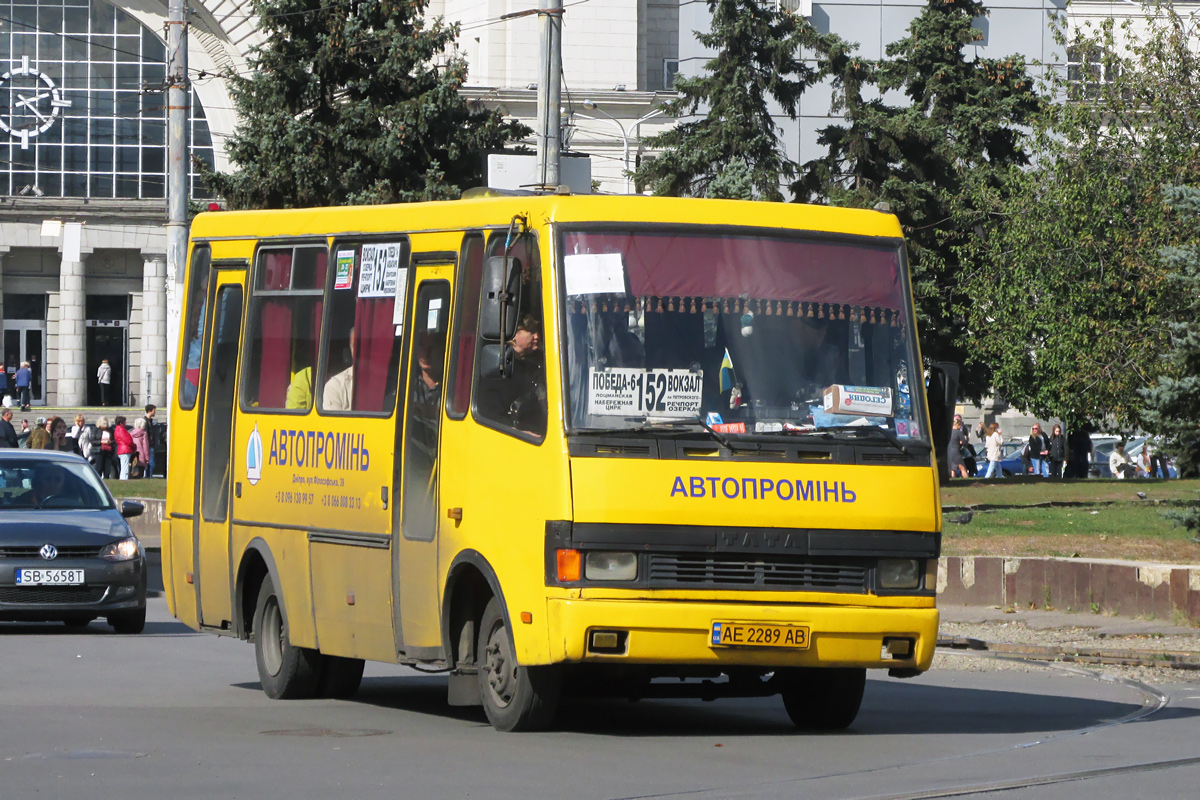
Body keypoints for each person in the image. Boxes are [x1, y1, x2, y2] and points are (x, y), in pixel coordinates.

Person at [323, 329, 356, 411]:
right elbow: (333, 423)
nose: (359, 352)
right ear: (350, 349)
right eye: (355, 346)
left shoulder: (388, 384)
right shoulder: (335, 386)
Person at [113, 415, 134, 480]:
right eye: (124, 422)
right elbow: (128, 440)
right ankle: (124, 479)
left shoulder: (118, 429)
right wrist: (134, 446)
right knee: (125, 467)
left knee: (124, 466)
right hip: (124, 450)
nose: (125, 423)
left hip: (122, 449)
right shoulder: (121, 430)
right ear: (121, 423)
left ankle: (124, 478)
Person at [141, 405, 158, 478]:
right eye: (154, 410)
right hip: (148, 445)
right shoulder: (145, 422)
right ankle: (149, 477)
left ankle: (148, 476)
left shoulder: (150, 421)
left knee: (151, 464)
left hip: (151, 444)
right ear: (150, 411)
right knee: (151, 463)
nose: (155, 412)